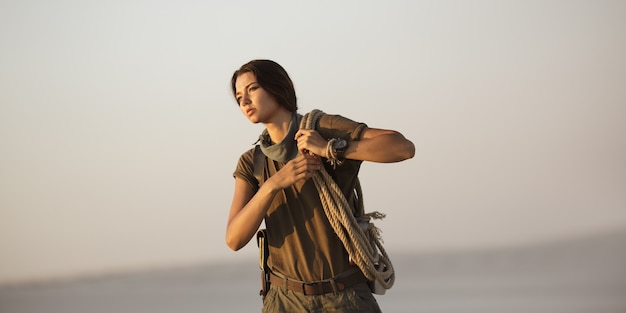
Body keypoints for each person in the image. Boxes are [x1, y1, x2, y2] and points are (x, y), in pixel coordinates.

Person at [226, 59, 415, 313]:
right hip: (284, 300)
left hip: (344, 297)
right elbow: (234, 239)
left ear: (277, 87)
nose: (245, 102)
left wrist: (332, 148)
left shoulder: (322, 128)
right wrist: (273, 185)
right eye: (239, 97)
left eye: (252, 89)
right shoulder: (253, 162)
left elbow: (402, 147)